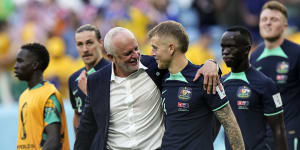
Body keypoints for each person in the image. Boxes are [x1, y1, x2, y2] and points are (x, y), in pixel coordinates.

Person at [74, 27, 221, 149]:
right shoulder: (96, 81)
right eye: (127, 53)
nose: (136, 55)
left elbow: (188, 69)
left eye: (136, 48)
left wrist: (211, 64)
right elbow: (87, 128)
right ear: (111, 57)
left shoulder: (155, 67)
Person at [148, 20, 245, 150]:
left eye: (155, 48)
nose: (152, 53)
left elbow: (230, 125)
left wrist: (213, 64)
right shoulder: (160, 76)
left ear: (171, 48)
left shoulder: (205, 78)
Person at [221, 26, 287, 150]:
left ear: (246, 49)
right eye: (223, 47)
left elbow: (278, 130)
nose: (225, 51)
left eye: (231, 47)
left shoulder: (266, 84)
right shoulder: (221, 83)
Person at [250, 1, 300, 149]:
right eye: (264, 19)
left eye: (274, 19)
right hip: (264, 137)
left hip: (291, 134)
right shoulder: (254, 57)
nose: (268, 23)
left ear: (285, 26)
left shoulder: (296, 54)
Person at [15, 43, 69, 149]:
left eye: (20, 61)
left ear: (35, 65)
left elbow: (54, 141)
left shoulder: (49, 95)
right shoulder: (24, 95)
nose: (15, 66)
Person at [68, 24, 110, 133]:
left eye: (89, 43)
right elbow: (78, 114)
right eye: (80, 44)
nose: (85, 49)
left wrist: (89, 92)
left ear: (100, 43)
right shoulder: (73, 79)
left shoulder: (114, 72)